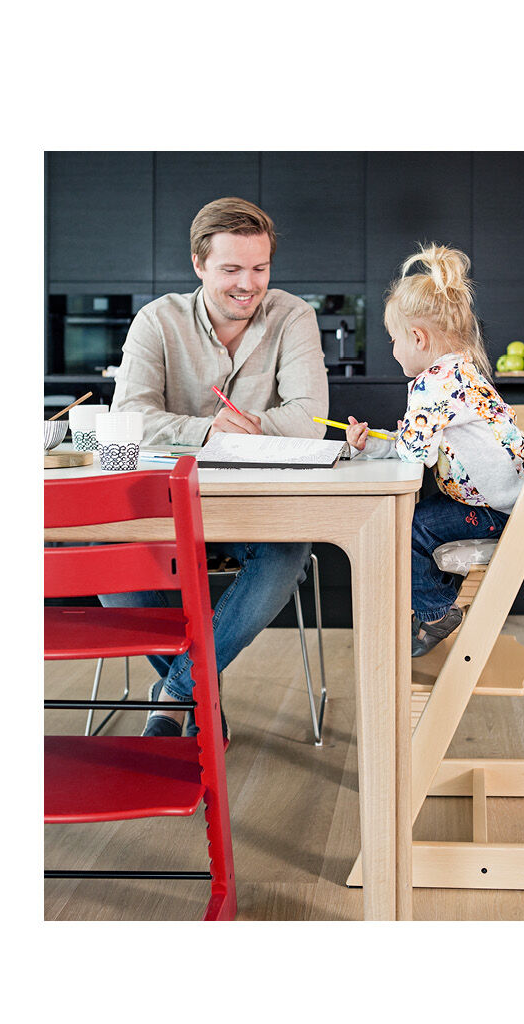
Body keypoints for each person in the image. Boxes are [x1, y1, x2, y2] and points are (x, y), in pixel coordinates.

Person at [103, 197, 329, 739]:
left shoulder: (293, 316)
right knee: (112, 563)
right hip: (166, 515)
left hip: (257, 514)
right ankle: (199, 693)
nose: (247, 284)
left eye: (260, 268)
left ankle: (181, 693)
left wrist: (240, 426)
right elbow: (127, 418)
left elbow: (311, 420)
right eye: (231, 269)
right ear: (199, 264)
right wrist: (209, 430)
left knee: (288, 553)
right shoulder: (157, 321)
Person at [345, 243, 524, 657]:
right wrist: (374, 445)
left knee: (410, 525)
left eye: (394, 339)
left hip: (497, 512)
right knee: (423, 518)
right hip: (510, 503)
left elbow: (415, 453)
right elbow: (414, 444)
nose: (393, 349)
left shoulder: (434, 383)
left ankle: (435, 612)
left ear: (417, 337)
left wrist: (387, 443)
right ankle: (438, 603)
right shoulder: (460, 369)